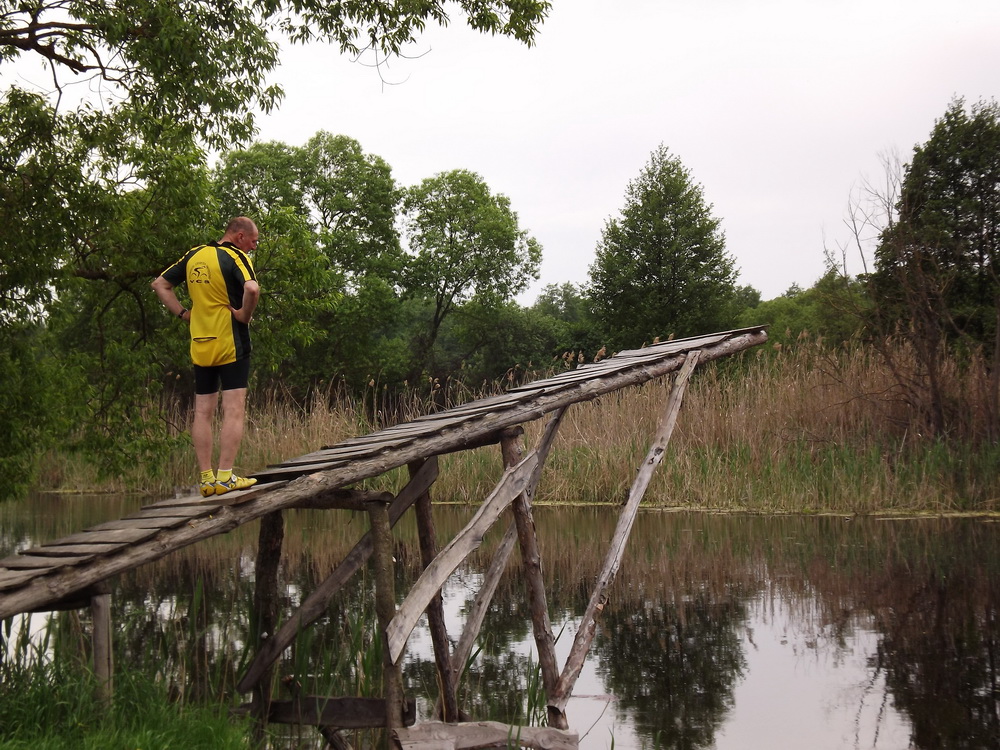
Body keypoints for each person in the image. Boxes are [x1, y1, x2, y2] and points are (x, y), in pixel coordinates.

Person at [152, 217, 261, 498]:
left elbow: (160, 284)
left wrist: (182, 313)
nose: (253, 247)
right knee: (233, 408)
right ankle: (225, 477)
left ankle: (206, 480)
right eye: (253, 242)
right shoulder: (235, 257)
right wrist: (244, 315)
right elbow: (252, 289)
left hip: (200, 342)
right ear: (239, 237)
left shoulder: (194, 255)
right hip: (230, 342)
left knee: (202, 411)